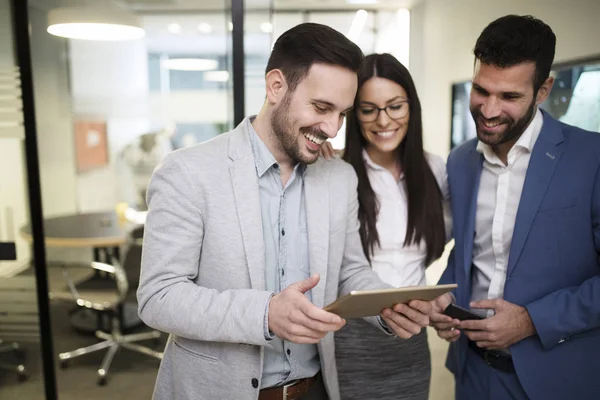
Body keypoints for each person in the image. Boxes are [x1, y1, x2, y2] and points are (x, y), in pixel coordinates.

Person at [137, 23, 432, 400]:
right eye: (321, 107)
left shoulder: (339, 177)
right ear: (276, 85)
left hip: (315, 390)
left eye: (342, 113)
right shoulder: (188, 172)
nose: (331, 128)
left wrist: (387, 305)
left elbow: (349, 271)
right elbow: (158, 297)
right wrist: (266, 313)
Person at [429, 15, 600, 400]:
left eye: (509, 97)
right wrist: (442, 297)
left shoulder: (593, 158)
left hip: (558, 378)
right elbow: (468, 254)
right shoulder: (460, 161)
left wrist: (530, 321)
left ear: (543, 91)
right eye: (480, 90)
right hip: (472, 373)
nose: (489, 110)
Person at [321, 53, 449, 399]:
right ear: (354, 113)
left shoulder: (435, 171)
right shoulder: (334, 172)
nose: (383, 120)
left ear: (411, 107)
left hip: (412, 341)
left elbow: (468, 238)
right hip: (350, 340)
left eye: (395, 106)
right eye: (368, 109)